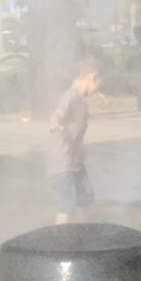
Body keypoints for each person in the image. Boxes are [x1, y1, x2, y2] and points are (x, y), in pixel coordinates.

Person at [47, 57, 101, 225]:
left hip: (75, 163)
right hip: (62, 165)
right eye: (100, 83)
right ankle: (59, 243)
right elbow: (58, 114)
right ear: (93, 77)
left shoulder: (81, 101)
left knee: (86, 200)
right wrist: (55, 124)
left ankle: (86, 237)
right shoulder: (70, 97)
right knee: (68, 205)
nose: (100, 88)